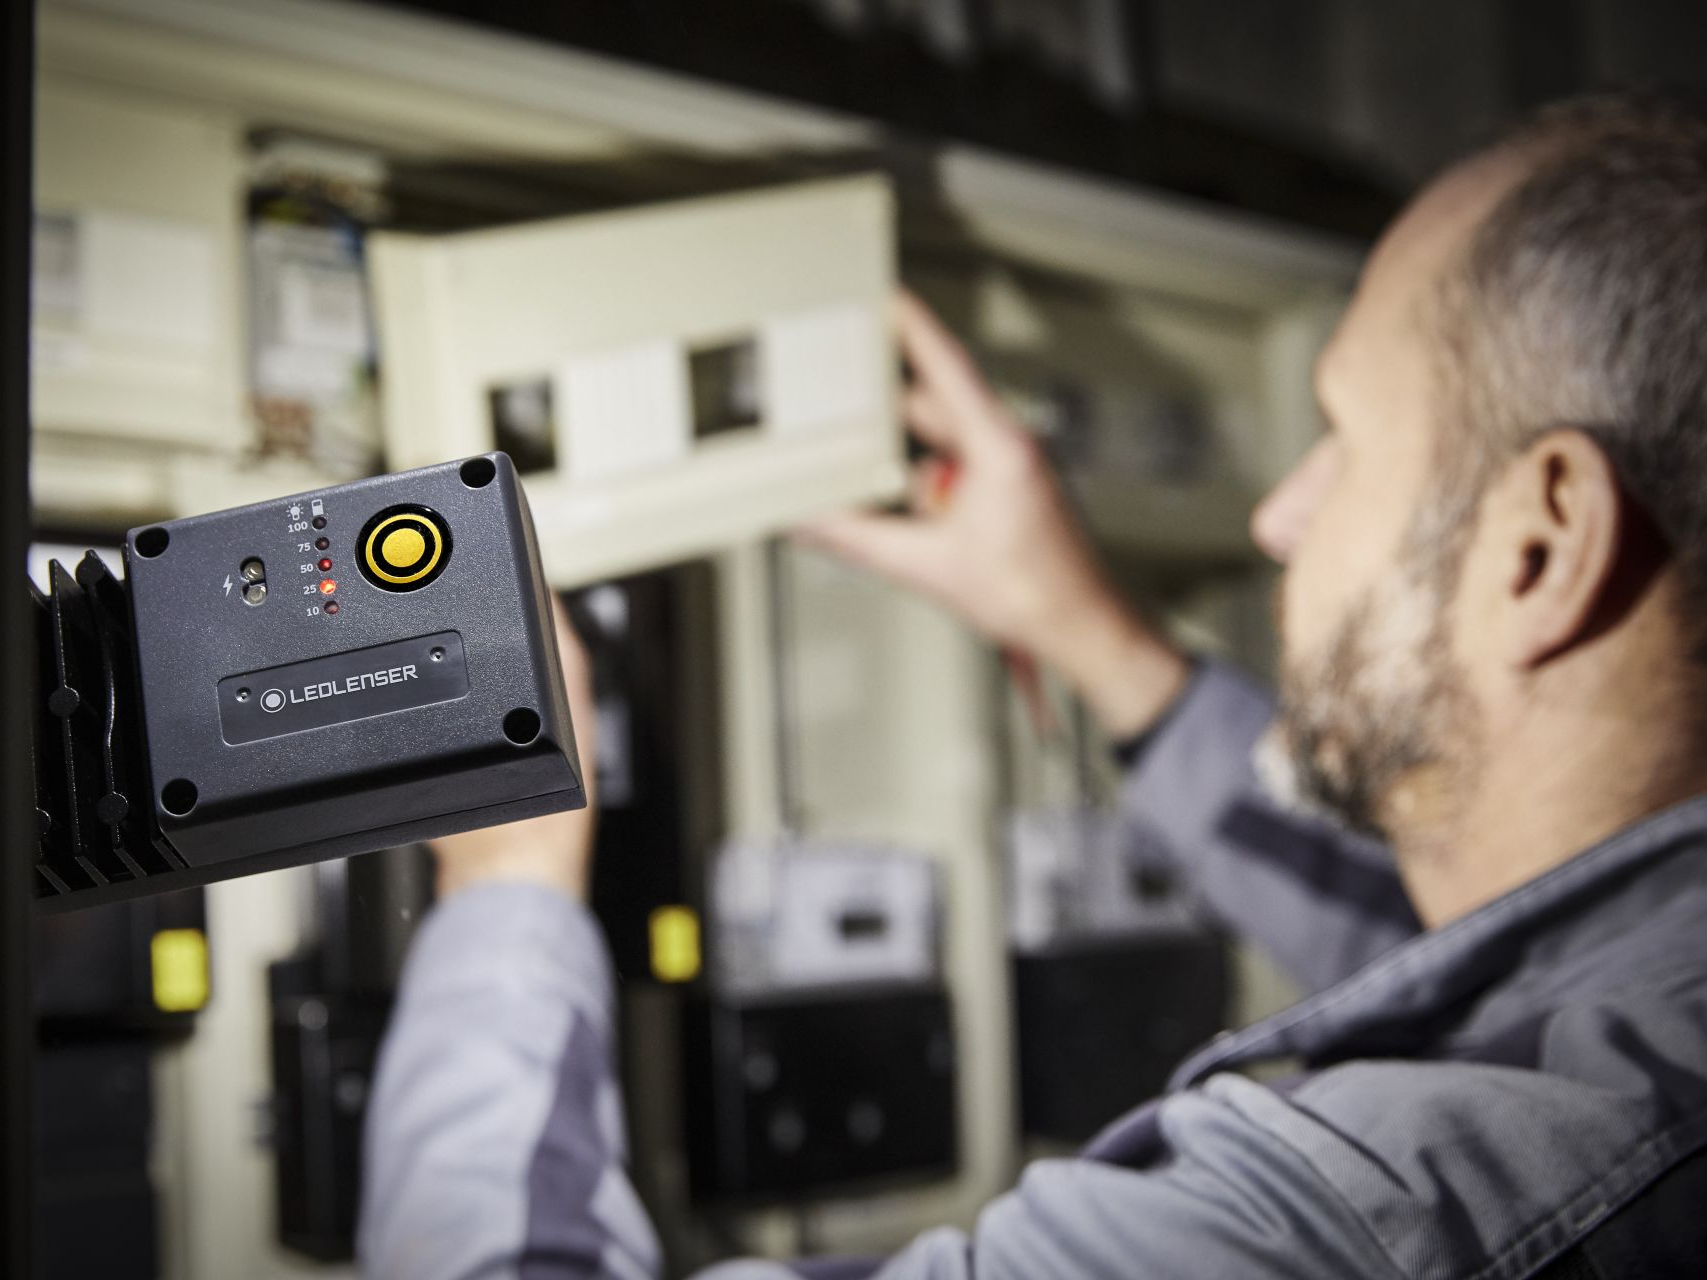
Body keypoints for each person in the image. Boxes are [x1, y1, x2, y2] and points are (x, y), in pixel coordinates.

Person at [358, 93, 1707, 1278]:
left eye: (1343, 439)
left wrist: (507, 886)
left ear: (1540, 548)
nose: (1279, 517)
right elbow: (1419, 954)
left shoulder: (1351, 1231)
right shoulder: (1647, 1016)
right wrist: (1091, 634)